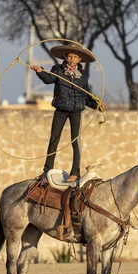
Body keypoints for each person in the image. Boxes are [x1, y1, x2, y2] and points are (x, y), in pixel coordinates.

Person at [30, 43, 105, 182]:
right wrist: (40, 72)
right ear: (65, 57)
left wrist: (96, 105)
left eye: (75, 57)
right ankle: (47, 171)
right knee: (54, 139)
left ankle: (75, 172)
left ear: (79, 59)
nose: (72, 59)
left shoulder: (82, 76)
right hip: (60, 109)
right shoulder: (57, 70)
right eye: (69, 56)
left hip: (76, 111)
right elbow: (48, 79)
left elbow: (86, 96)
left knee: (76, 141)